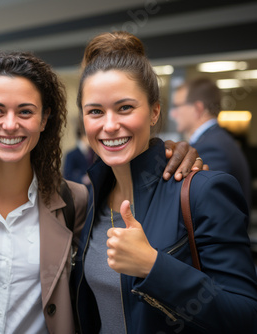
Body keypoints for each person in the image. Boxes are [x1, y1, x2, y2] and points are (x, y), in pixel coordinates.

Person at [0, 51, 203, 334]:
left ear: (44, 119)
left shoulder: (75, 201)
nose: (10, 125)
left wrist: (166, 150)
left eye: (25, 111)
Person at [73, 31, 257, 334]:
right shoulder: (91, 200)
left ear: (154, 111)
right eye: (95, 111)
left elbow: (246, 316)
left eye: (125, 108)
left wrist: (153, 267)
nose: (109, 125)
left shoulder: (202, 191)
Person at [170, 77, 252, 210]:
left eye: (177, 106)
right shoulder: (218, 139)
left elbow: (208, 206)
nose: (173, 114)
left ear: (198, 108)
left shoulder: (211, 148)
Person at [63, 120, 94, 189]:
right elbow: (67, 176)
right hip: (78, 190)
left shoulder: (94, 153)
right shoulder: (71, 154)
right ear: (83, 136)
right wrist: (82, 179)